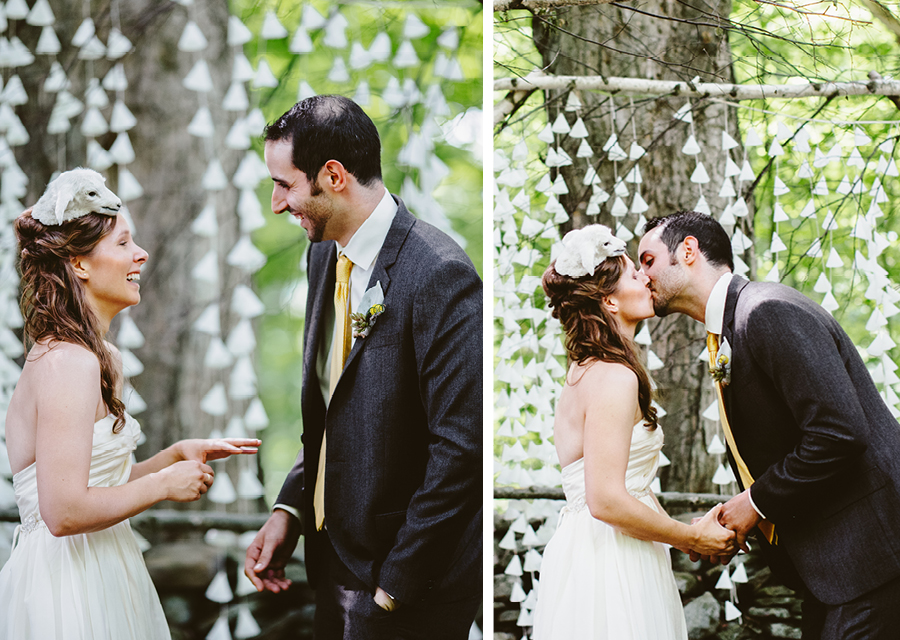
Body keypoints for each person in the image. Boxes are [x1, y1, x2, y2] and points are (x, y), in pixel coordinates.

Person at [243, 96, 482, 639]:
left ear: (332, 175)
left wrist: (392, 588)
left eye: (284, 185)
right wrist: (291, 510)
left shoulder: (440, 274)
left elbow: (460, 451)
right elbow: (334, 409)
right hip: (331, 566)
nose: (278, 204)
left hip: (409, 584)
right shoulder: (323, 254)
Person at [0, 168, 260, 640]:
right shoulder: (66, 363)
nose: (140, 254)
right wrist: (163, 485)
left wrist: (173, 456)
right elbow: (62, 512)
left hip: (108, 566)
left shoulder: (102, 359)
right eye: (123, 244)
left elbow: (94, 485)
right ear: (79, 264)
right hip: (67, 585)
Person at [638, 210, 900, 639]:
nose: (641, 274)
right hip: (834, 567)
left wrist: (754, 503)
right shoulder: (730, 328)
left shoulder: (766, 310)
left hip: (873, 555)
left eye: (647, 260)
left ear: (688, 251)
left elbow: (839, 432)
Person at [532, 224, 736, 639]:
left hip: (609, 548)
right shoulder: (612, 377)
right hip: (609, 562)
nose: (645, 277)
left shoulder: (590, 369)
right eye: (632, 274)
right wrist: (692, 539)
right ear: (608, 299)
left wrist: (690, 531)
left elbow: (630, 487)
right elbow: (605, 500)